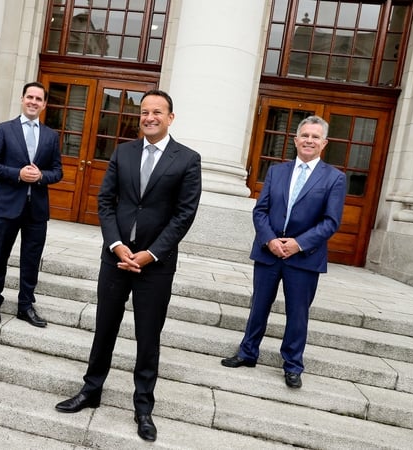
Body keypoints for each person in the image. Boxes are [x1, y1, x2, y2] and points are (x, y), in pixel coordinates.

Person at [55, 90, 202, 442]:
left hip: (156, 264)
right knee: (104, 326)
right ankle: (91, 391)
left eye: (157, 112)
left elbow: (184, 214)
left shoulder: (188, 159)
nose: (149, 117)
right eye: (144, 112)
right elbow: (105, 201)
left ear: (170, 117)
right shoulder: (123, 152)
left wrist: (151, 253)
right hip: (115, 258)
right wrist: (117, 244)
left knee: (147, 335)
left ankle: (143, 406)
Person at [221, 115, 346, 389]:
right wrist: (270, 240)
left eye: (315, 137)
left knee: (297, 313)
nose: (309, 140)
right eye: (305, 135)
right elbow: (261, 211)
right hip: (269, 253)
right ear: (295, 140)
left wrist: (297, 244)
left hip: (304, 258)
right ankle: (247, 352)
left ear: (324, 143)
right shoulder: (277, 172)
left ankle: (292, 365)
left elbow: (330, 221)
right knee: (259, 306)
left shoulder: (335, 178)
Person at [0, 81, 63, 327]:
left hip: (37, 209)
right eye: (30, 97)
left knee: (31, 259)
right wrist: (18, 173)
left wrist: (41, 177)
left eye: (39, 99)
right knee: (0, 255)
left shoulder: (51, 135)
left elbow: (57, 171)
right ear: (22, 99)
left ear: (44, 104)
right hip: (8, 205)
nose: (33, 102)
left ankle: (25, 306)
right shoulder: (4, 129)